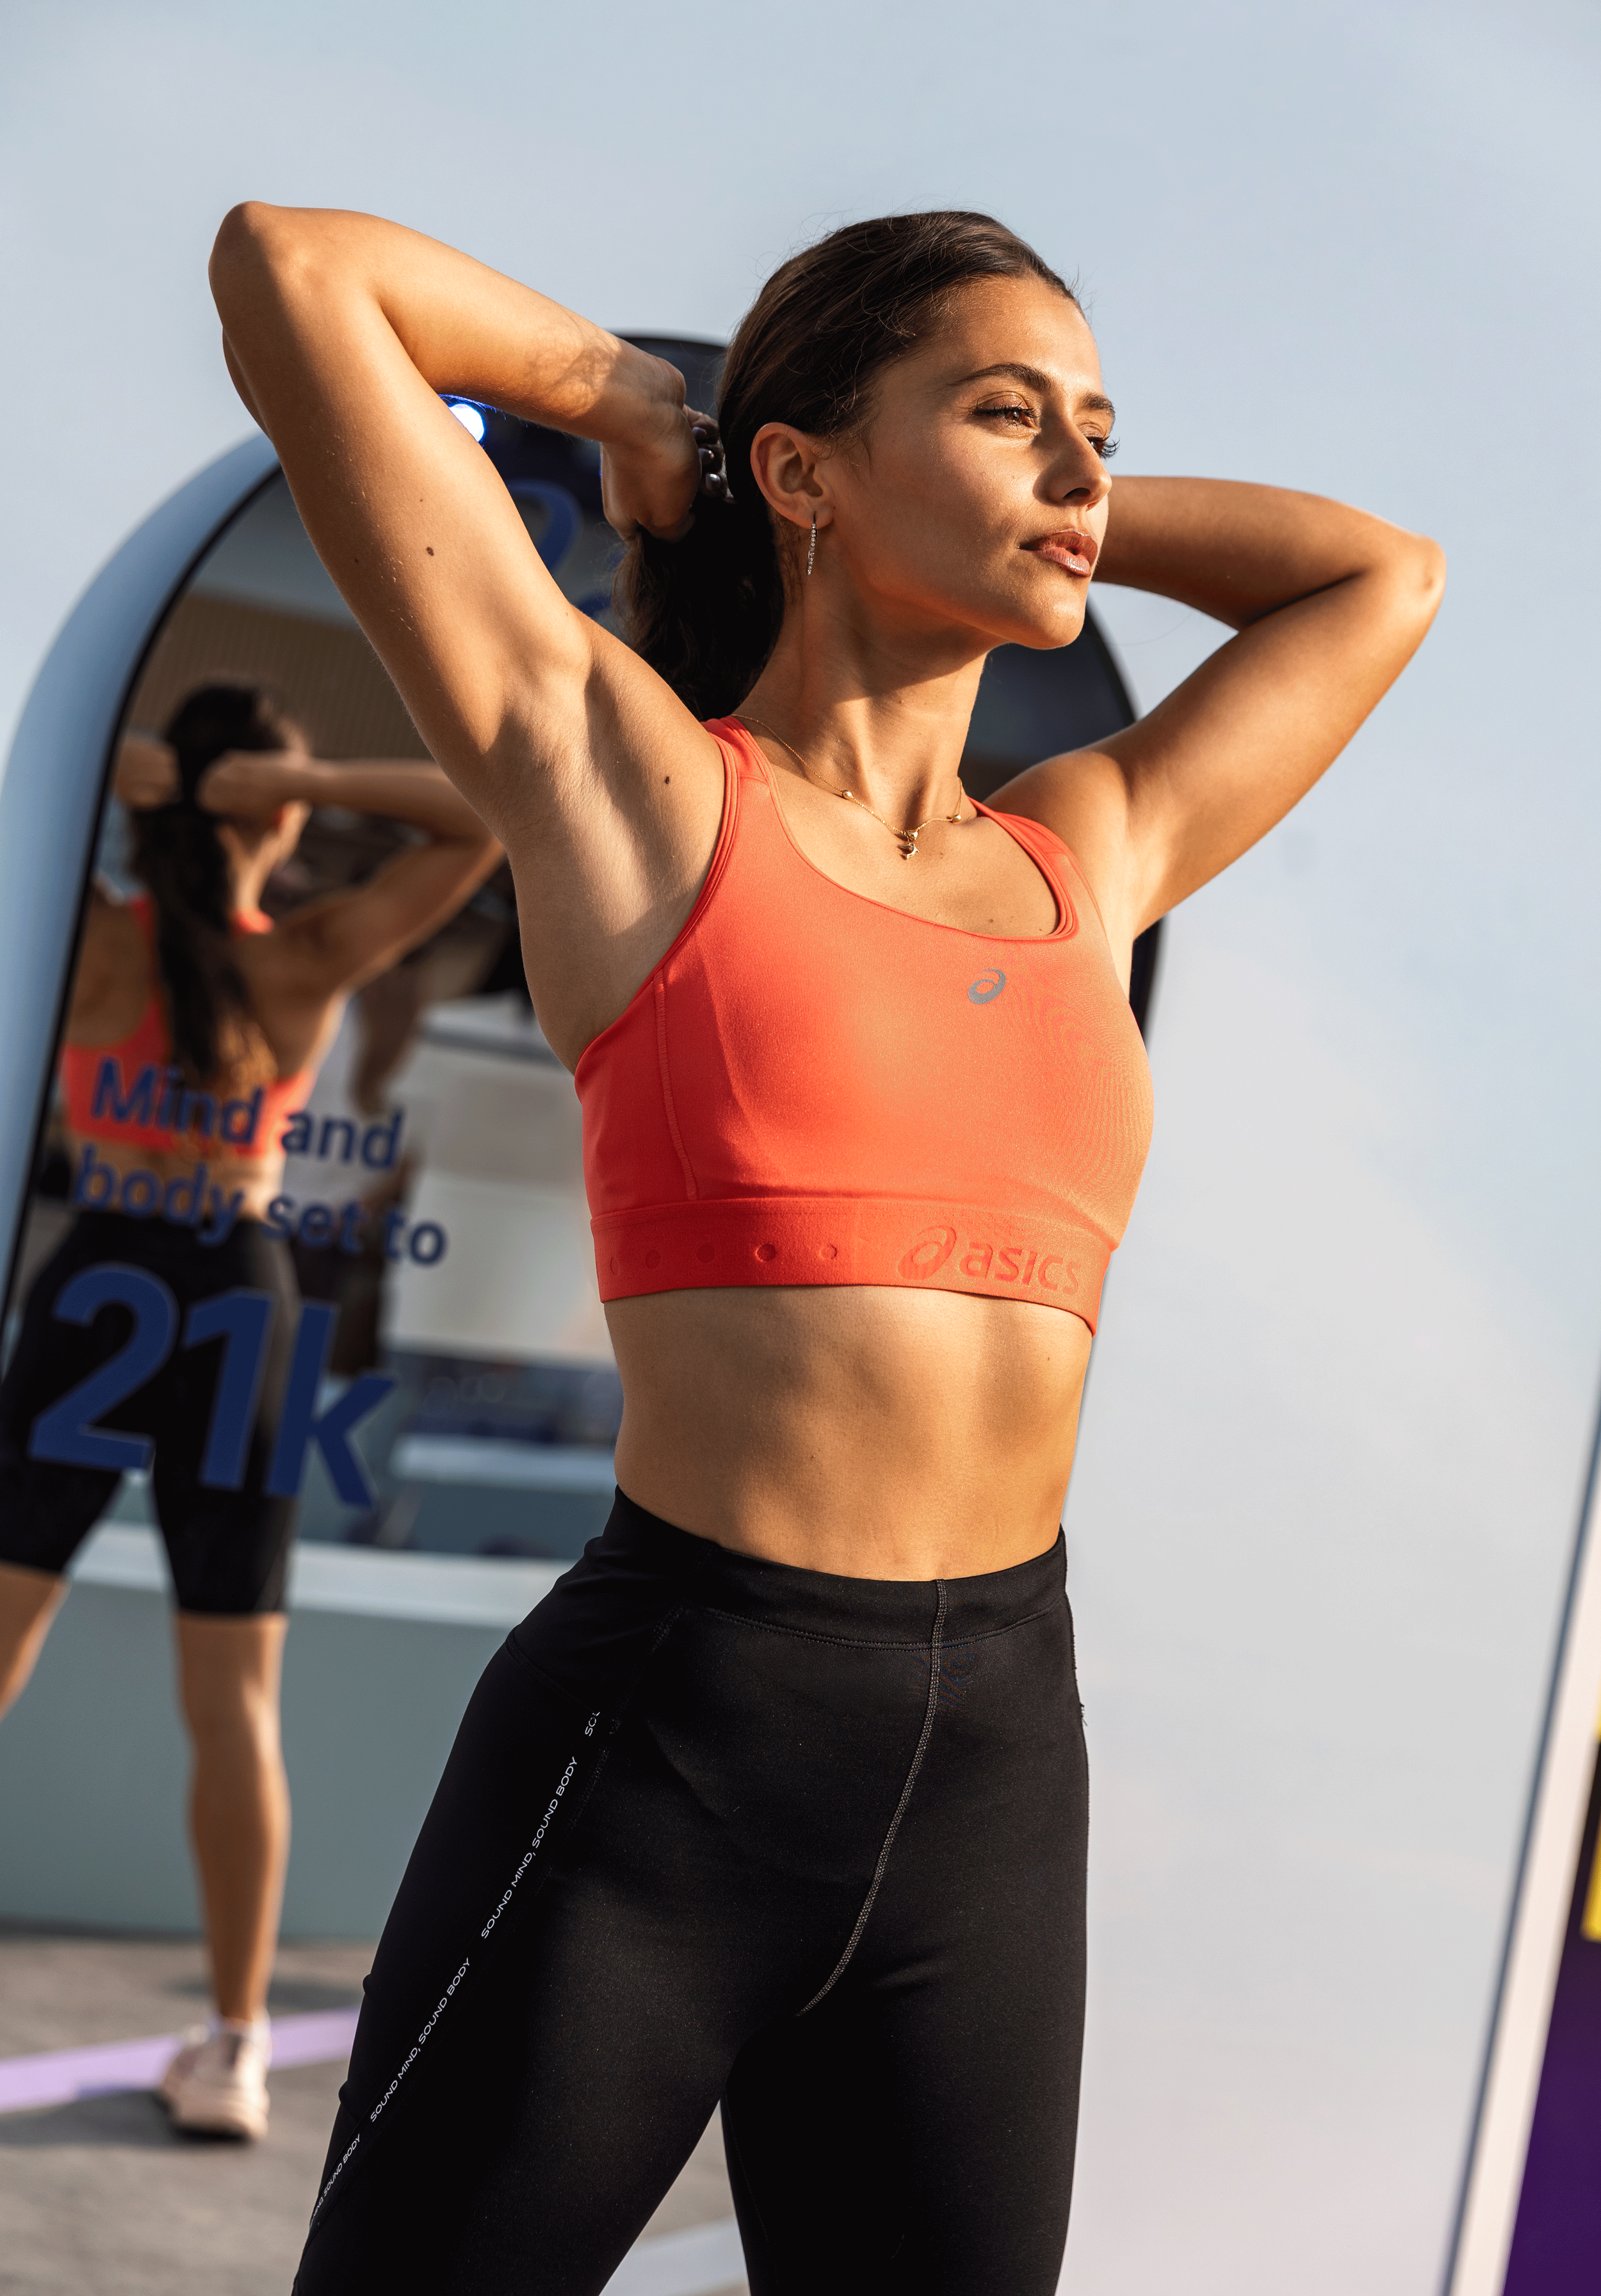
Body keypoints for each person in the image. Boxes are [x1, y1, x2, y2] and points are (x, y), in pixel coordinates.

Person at [207, 205, 1443, 2292]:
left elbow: (1378, 577)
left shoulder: (1089, 850)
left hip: (996, 1765)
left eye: (1101, 427)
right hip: (672, 1748)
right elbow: (292, 272)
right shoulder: (631, 790)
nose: (1082, 465)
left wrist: (1028, 506)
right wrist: (653, 415)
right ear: (803, 469)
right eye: (1007, 412)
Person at [0, 685, 501, 2138]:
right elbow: (480, 816)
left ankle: (229, 2040)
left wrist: (146, 771)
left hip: (101, 1286)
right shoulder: (311, 954)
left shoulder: (99, 939)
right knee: (236, 1700)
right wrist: (303, 780)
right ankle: (231, 2047)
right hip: (237, 1292)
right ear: (269, 813)